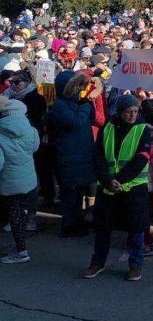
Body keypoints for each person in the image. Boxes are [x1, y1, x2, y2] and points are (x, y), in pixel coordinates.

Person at [82, 95, 152, 281]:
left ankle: (135, 265)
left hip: (133, 188)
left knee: (135, 229)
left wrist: (119, 179)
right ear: (120, 112)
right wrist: (107, 180)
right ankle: (97, 262)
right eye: (128, 112)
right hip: (108, 188)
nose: (132, 115)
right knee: (103, 227)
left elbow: (142, 158)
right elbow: (97, 156)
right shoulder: (108, 128)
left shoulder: (143, 130)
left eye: (135, 111)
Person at [47, 71, 98, 237]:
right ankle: (69, 224)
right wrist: (84, 105)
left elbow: (91, 118)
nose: (78, 90)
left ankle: (78, 221)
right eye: (76, 86)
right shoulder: (59, 105)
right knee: (70, 194)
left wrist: (87, 102)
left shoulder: (76, 103)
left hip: (81, 153)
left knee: (79, 192)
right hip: (68, 156)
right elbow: (75, 122)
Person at [0, 97, 40, 264]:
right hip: (28, 179)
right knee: (20, 213)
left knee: (14, 214)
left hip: (9, 181)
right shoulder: (31, 130)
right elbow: (35, 147)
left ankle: (21, 251)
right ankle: (19, 246)